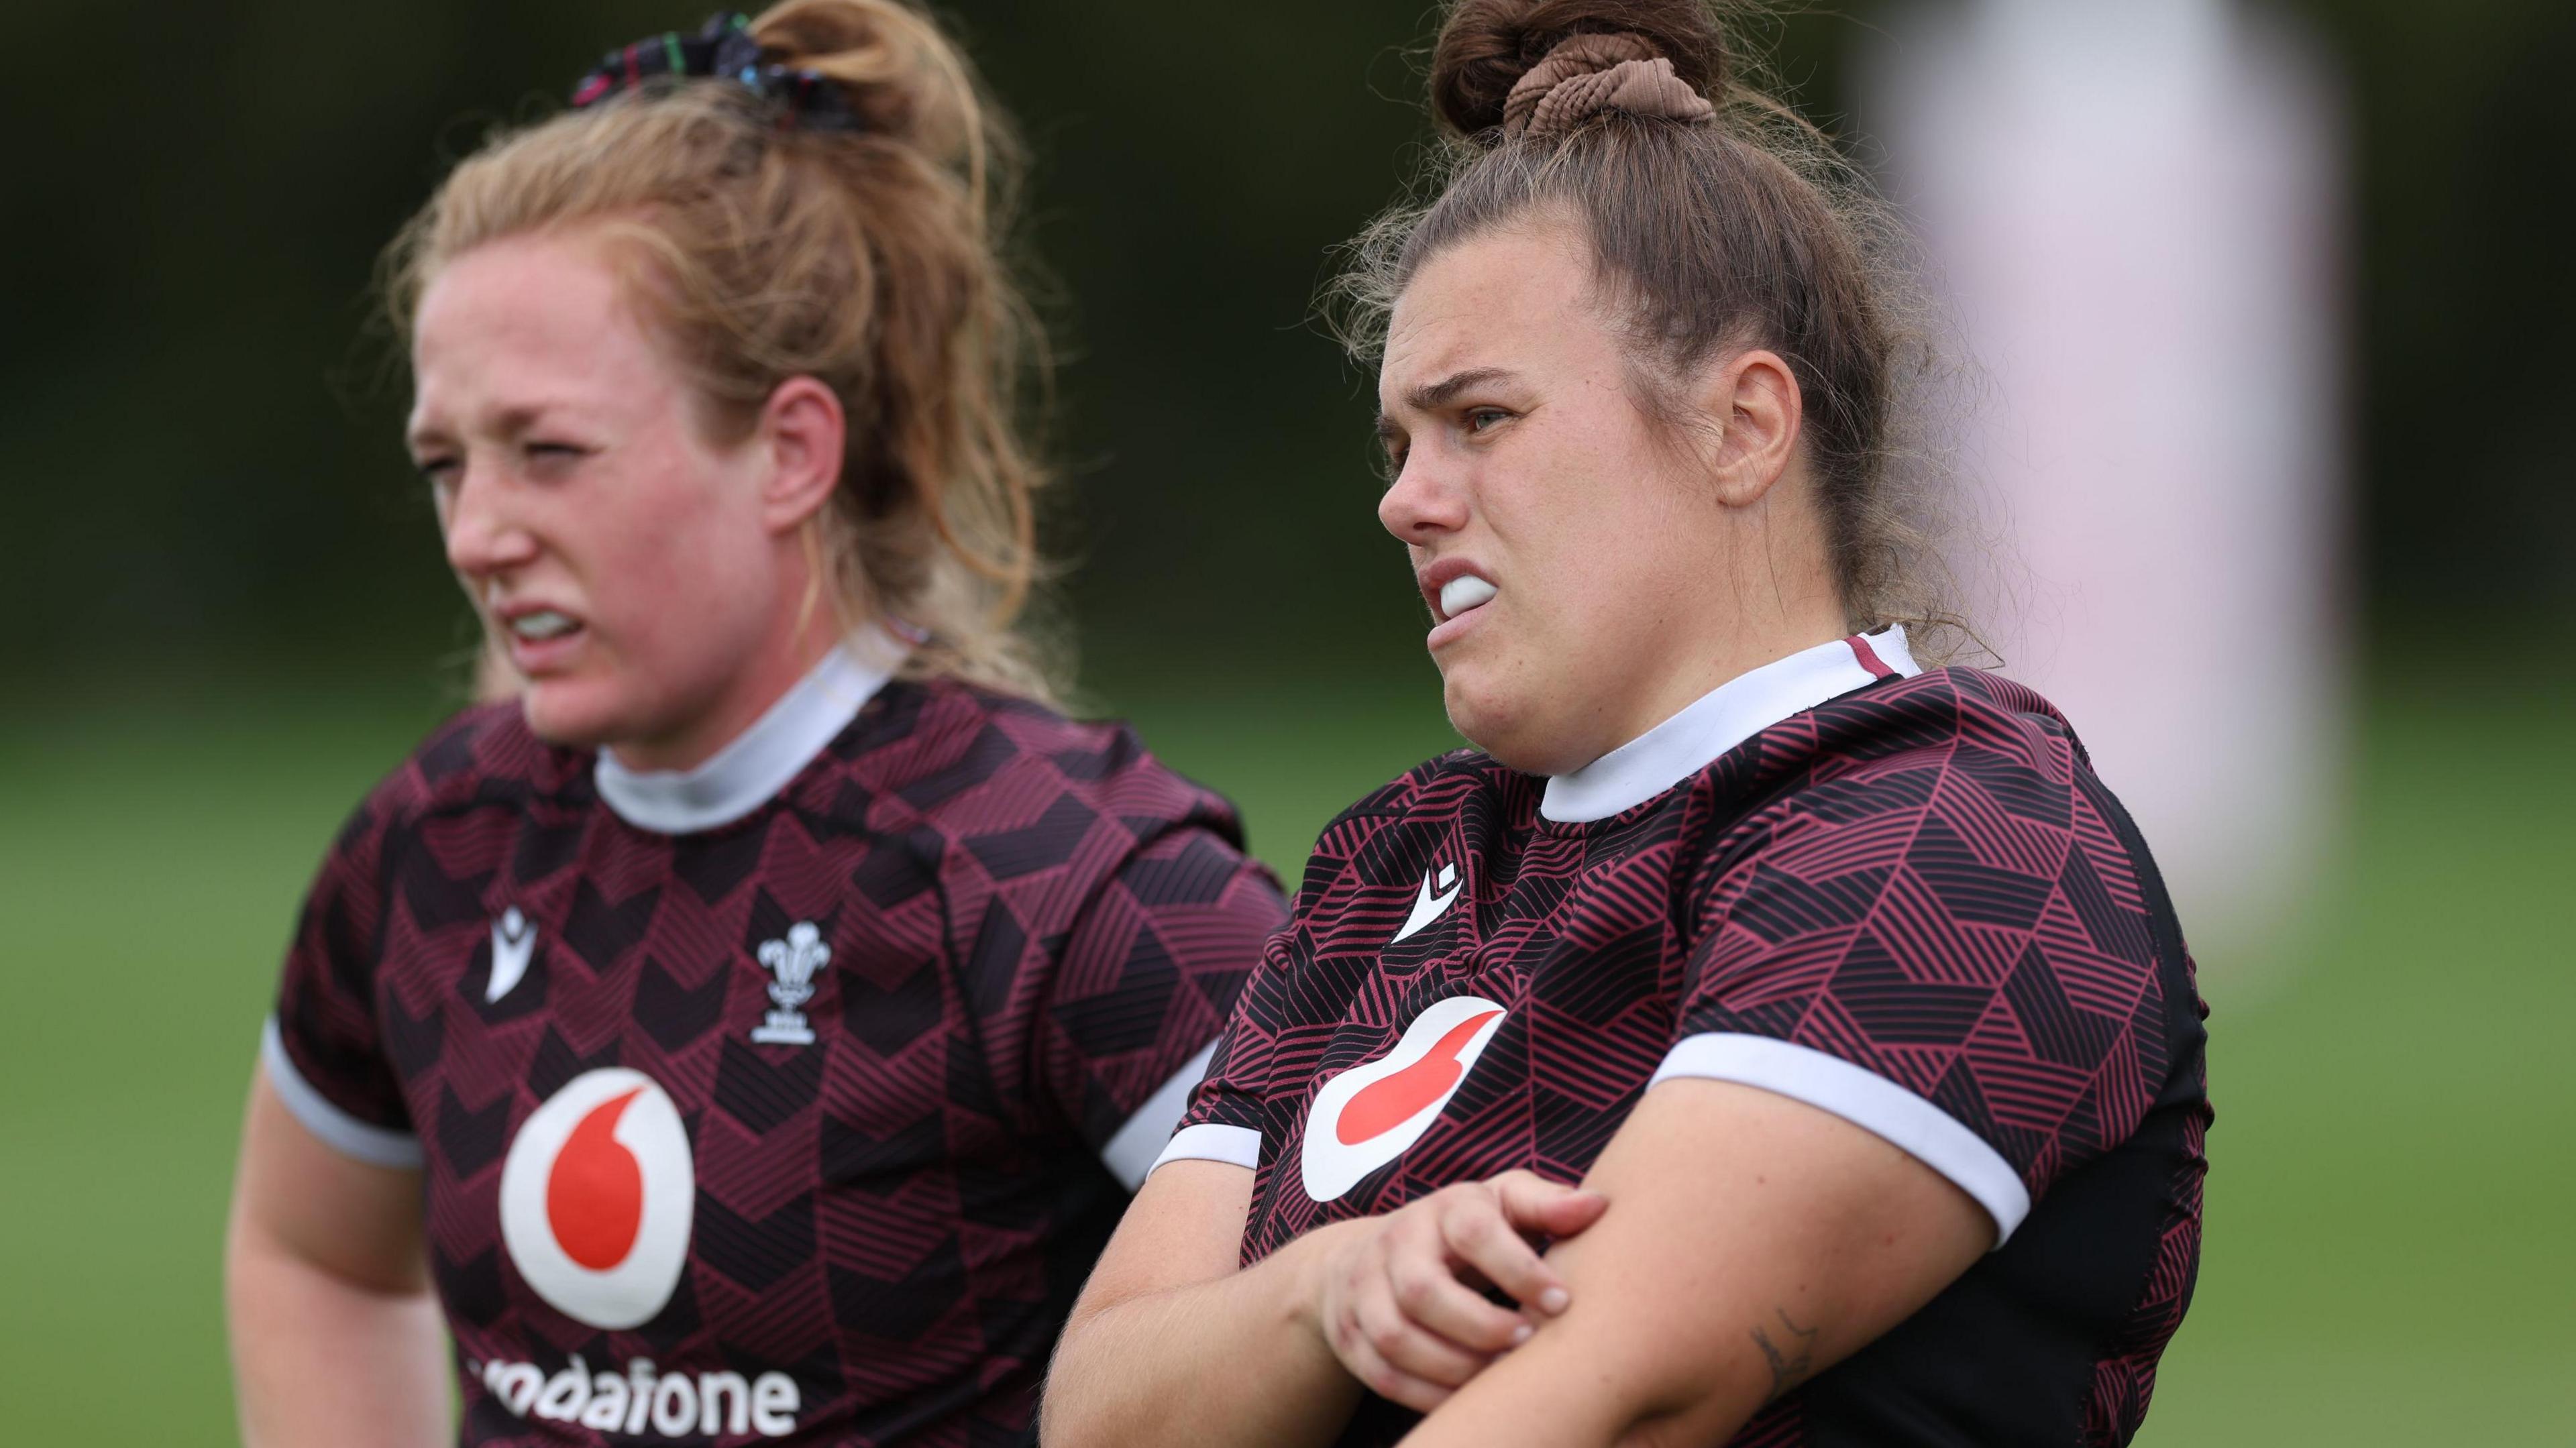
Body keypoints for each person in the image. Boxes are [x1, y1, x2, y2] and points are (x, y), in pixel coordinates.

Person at [1043, 2, 2210, 1445]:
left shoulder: (1959, 836)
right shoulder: (1391, 862)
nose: (1406, 498)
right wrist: (1332, 1290)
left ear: (1743, 427)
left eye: (1482, 419)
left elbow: (1606, 1397)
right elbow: (1101, 1412)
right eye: (1400, 441)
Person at [222, 7, 1287, 1445]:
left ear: (790, 451)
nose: (477, 534)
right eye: (444, 462)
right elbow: (315, 1257)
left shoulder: (1074, 888)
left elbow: (1371, 1332)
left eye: (549, 453)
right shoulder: (430, 852)